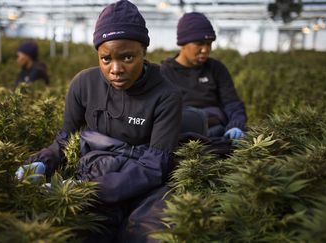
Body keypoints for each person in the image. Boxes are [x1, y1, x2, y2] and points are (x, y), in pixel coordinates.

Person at [15, 0, 182, 242]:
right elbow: (66, 139)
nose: (116, 69)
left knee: (142, 233)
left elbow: (155, 167)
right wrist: (43, 161)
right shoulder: (84, 84)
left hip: (143, 185)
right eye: (106, 59)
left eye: (127, 57)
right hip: (95, 171)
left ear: (144, 52)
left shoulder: (166, 95)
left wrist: (89, 191)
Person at [160, 12, 247, 140]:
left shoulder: (216, 68)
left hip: (218, 132)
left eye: (209, 43)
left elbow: (232, 103)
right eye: (199, 43)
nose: (205, 49)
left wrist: (236, 125)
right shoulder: (164, 73)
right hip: (182, 136)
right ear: (183, 43)